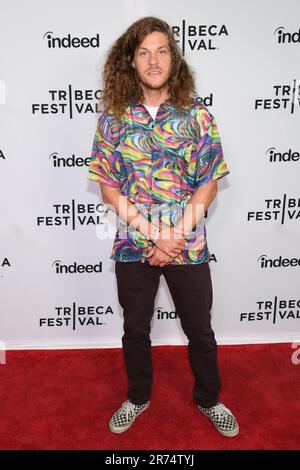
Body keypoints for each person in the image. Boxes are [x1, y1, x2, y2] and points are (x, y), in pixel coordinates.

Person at [87, 16, 239, 438]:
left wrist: (175, 236)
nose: (153, 60)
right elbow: (109, 189)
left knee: (200, 331)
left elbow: (208, 184)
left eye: (162, 50)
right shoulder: (113, 119)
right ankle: (138, 396)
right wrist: (156, 234)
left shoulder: (197, 115)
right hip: (134, 246)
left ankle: (210, 398)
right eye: (144, 52)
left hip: (188, 244)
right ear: (131, 62)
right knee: (134, 329)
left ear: (174, 59)